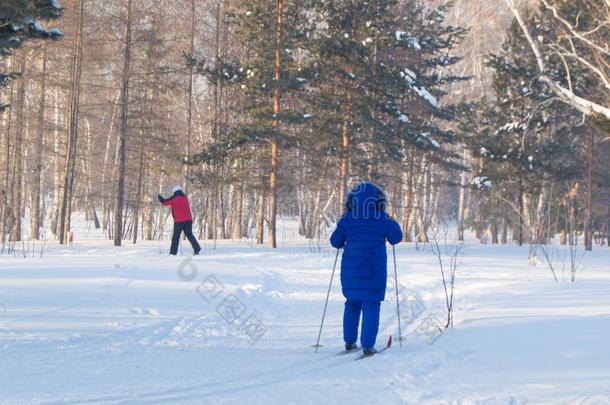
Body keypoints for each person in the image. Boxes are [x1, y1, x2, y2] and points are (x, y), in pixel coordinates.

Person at [330, 182, 402, 356]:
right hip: (373, 272)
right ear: (379, 200)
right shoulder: (382, 218)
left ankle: (349, 342)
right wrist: (391, 219)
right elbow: (396, 238)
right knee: (371, 305)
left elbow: (335, 242)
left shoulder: (348, 218)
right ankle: (368, 346)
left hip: (351, 272)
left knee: (352, 303)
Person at [158, 185, 201, 255]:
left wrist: (159, 197)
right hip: (188, 220)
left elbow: (165, 202)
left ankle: (173, 252)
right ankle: (197, 248)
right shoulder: (185, 198)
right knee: (189, 235)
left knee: (176, 237)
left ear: (174, 192)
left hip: (179, 221)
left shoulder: (174, 199)